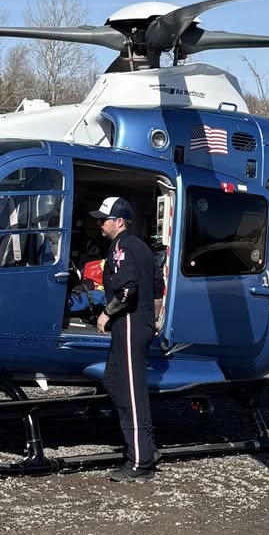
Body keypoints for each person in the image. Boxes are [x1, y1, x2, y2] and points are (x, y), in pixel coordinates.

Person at [95, 195, 157, 481]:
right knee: (112, 379)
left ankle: (140, 462)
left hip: (129, 321)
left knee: (132, 392)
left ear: (119, 221)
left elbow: (127, 289)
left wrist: (107, 313)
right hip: (138, 321)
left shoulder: (123, 247)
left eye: (103, 219)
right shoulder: (141, 246)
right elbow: (158, 285)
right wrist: (155, 318)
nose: (99, 224)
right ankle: (140, 443)